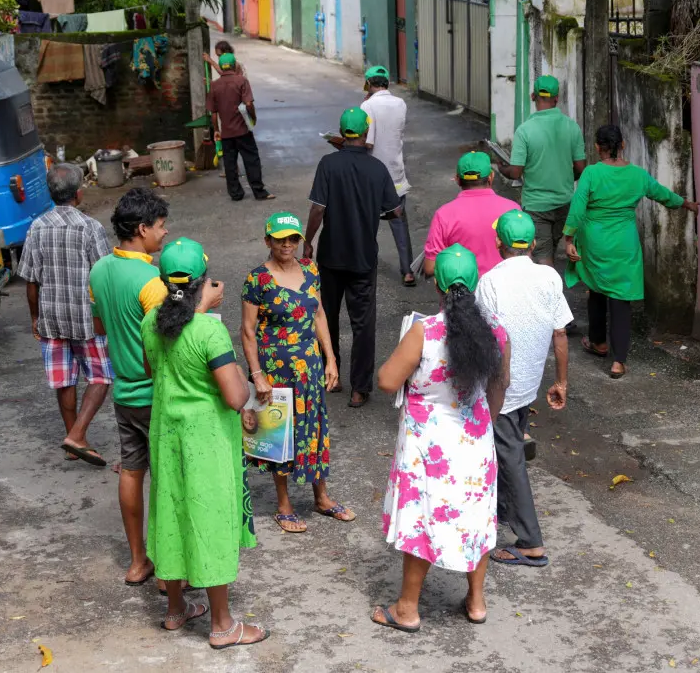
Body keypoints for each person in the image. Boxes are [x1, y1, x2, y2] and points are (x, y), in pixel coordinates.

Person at [374, 244, 510, 631]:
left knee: (422, 519)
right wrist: (484, 423)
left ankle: (407, 608)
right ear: (477, 283)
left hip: (426, 444)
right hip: (475, 438)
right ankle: (477, 602)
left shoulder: (426, 331)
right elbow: (501, 384)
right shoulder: (496, 330)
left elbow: (386, 381)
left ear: (438, 287)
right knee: (478, 518)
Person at [142, 237, 268, 650]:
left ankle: (176, 610)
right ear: (202, 283)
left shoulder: (150, 323)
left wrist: (193, 306)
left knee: (173, 513)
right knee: (208, 519)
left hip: (166, 436)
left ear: (164, 281)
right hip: (207, 441)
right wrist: (205, 313)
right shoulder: (209, 331)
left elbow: (151, 365)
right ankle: (222, 625)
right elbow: (234, 397)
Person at [241, 212, 355, 534]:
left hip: (309, 367)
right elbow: (248, 331)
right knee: (281, 432)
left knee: (315, 427)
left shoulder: (310, 270)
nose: (287, 244)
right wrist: (257, 374)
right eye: (280, 239)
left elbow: (319, 314)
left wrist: (331, 358)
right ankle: (284, 504)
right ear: (268, 241)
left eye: (293, 239)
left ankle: (322, 497)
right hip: (276, 369)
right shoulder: (257, 280)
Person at [564, 125, 699, 379]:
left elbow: (577, 209)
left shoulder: (591, 174)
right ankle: (618, 363)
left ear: (597, 147)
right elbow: (662, 194)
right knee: (621, 297)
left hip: (595, 242)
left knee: (596, 288)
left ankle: (598, 343)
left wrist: (568, 238)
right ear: (623, 145)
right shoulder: (637, 175)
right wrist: (686, 203)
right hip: (624, 242)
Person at [476, 210, 572, 568]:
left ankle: (530, 540)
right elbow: (560, 333)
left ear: (498, 243)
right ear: (533, 243)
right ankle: (501, 511)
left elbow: (487, 340)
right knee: (510, 445)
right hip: (529, 382)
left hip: (500, 386)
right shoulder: (548, 276)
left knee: (510, 455)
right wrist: (560, 381)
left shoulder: (490, 282)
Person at [88, 187, 170, 589]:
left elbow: (99, 325)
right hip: (157, 393)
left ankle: (138, 561)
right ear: (141, 229)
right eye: (160, 225)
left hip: (124, 394)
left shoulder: (99, 270)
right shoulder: (152, 280)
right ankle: (169, 563)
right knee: (169, 478)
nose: (165, 232)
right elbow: (164, 342)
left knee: (132, 472)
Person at [305, 107, 403, 409]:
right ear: (366, 132)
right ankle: (359, 389)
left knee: (326, 316)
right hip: (363, 258)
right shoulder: (377, 169)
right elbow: (394, 210)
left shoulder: (328, 164)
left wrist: (307, 241)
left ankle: (329, 376)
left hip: (331, 256)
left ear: (341, 132)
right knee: (362, 324)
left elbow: (318, 209)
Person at [17, 163, 113, 466]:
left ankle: (73, 441)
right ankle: (77, 434)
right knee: (101, 376)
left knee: (64, 380)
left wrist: (35, 318)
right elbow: (103, 276)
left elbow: (30, 281)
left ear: (50, 192)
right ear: (79, 193)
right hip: (87, 317)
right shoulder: (90, 228)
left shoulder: (36, 227)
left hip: (51, 318)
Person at [498, 75, 587, 266]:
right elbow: (581, 168)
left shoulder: (524, 130)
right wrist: (565, 179)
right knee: (552, 249)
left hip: (537, 206)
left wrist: (501, 168)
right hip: (564, 203)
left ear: (533, 96)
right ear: (556, 98)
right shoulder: (572, 127)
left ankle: (548, 294)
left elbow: (515, 173)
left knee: (542, 258)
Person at [361, 65, 416, 287]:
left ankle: (366, 268)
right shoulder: (400, 104)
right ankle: (408, 271)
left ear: (368, 83)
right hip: (396, 172)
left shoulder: (367, 105)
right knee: (399, 222)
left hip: (373, 175)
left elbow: (368, 142)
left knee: (368, 224)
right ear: (387, 83)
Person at [422, 151, 516, 278]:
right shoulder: (513, 209)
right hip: (505, 290)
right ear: (491, 177)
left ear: (457, 180)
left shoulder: (444, 214)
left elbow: (430, 267)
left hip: (465, 293)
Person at [207, 52, 274, 202]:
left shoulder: (214, 85)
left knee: (230, 164)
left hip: (226, 133)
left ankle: (236, 194)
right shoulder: (241, 81)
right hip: (242, 130)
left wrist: (216, 130)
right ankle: (259, 191)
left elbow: (213, 113)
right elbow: (249, 103)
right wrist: (253, 118)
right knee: (251, 160)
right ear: (233, 65)